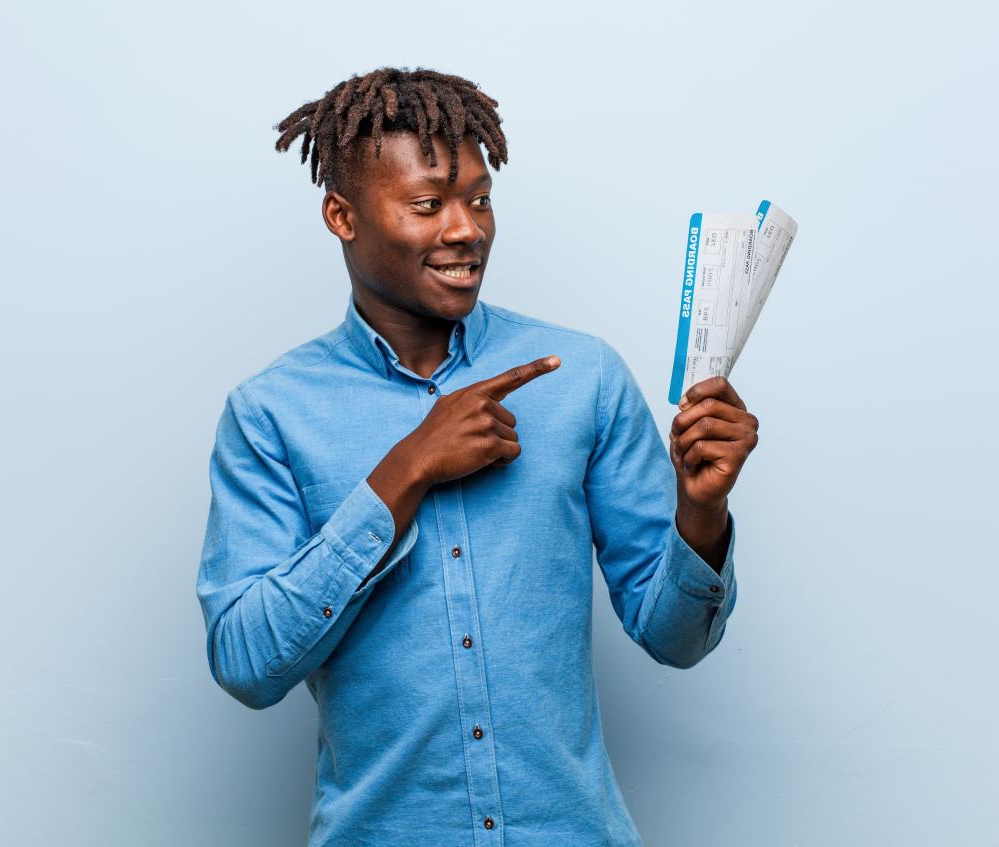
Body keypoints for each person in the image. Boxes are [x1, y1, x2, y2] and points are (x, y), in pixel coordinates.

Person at [196, 66, 760, 846]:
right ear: (342, 215)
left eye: (480, 199)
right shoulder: (270, 414)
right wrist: (405, 470)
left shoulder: (582, 377)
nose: (466, 229)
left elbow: (677, 638)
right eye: (428, 205)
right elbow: (247, 662)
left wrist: (702, 512)